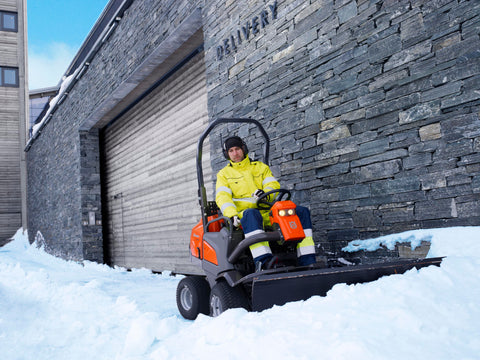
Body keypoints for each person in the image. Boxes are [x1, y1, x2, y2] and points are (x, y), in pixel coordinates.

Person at [215, 135, 316, 271]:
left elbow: (273, 185)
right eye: (231, 150)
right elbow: (223, 196)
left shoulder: (260, 167)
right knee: (251, 214)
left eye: (237, 149)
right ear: (227, 154)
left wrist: (265, 194)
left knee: (301, 212)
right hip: (243, 216)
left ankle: (307, 261)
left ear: (243, 149)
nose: (235, 153)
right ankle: (263, 263)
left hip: (267, 211)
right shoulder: (224, 174)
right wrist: (232, 214)